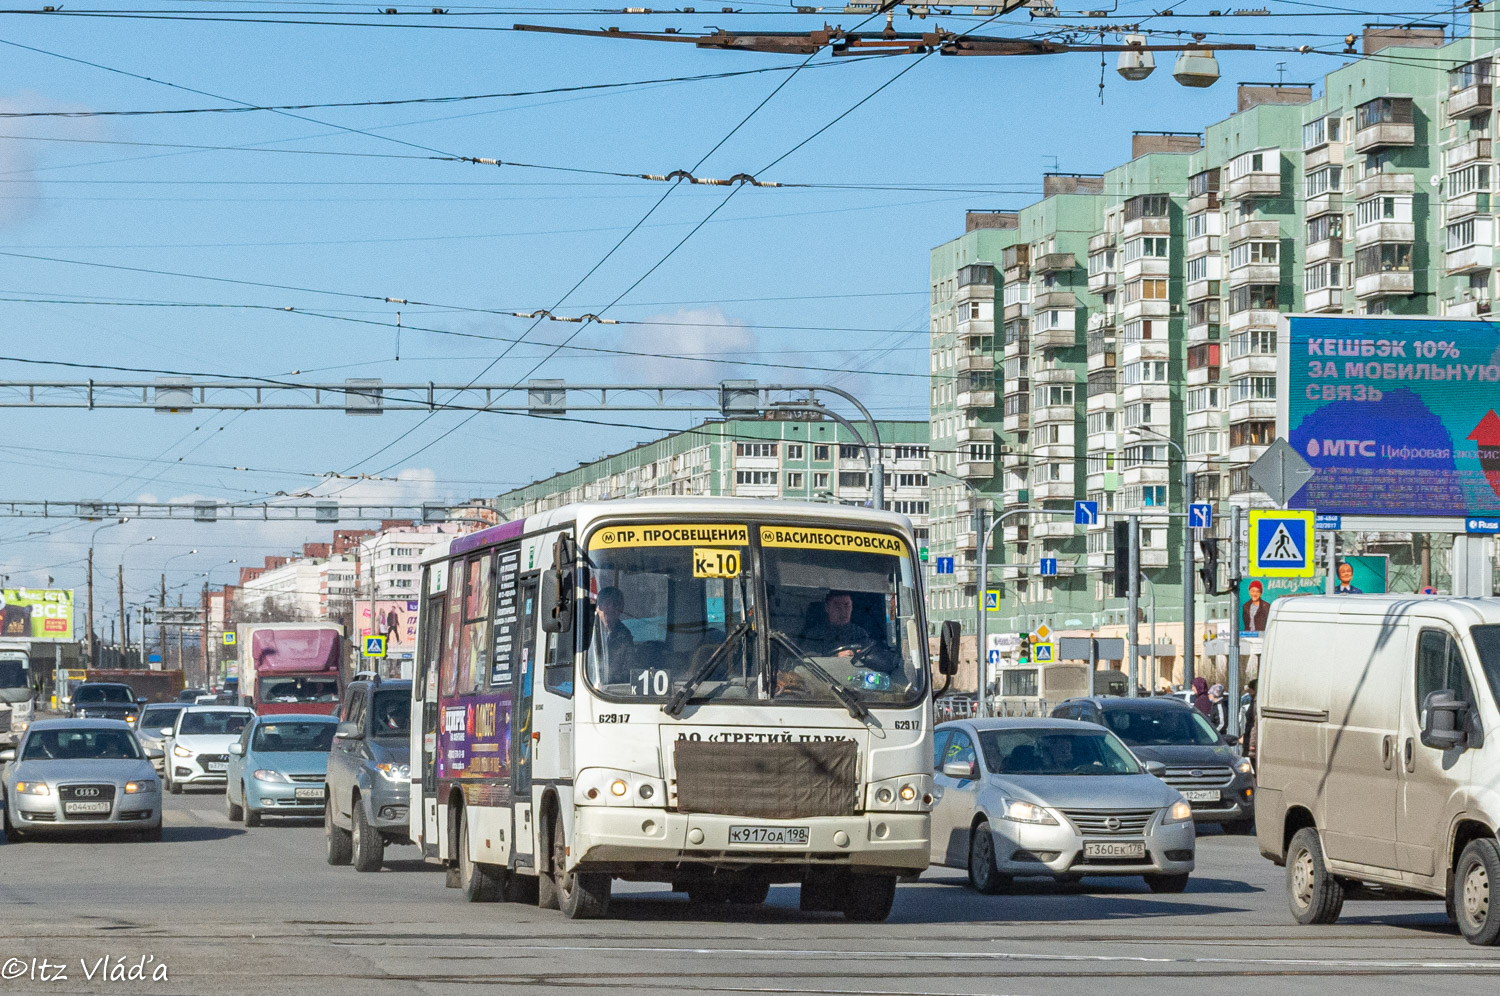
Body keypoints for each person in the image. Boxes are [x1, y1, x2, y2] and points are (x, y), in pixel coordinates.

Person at [803, 591, 871, 657]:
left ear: (852, 607)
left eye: (846, 605)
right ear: (827, 608)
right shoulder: (815, 634)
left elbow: (870, 659)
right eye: (837, 606)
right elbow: (807, 659)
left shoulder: (860, 634)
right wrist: (835, 658)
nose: (843, 610)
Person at [595, 586, 635, 678]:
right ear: (598, 607)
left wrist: (613, 679)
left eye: (616, 604)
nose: (611, 608)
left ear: (621, 609)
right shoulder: (587, 632)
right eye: (608, 603)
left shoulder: (625, 636)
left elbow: (630, 670)